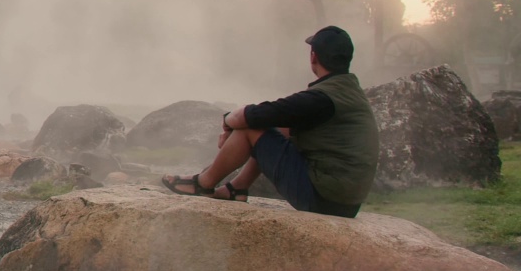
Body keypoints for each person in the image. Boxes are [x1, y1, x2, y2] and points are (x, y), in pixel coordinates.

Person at [161, 26, 380, 218]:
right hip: (344, 202)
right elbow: (277, 122)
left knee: (252, 129)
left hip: (323, 198)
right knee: (275, 128)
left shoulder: (320, 99)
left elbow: (257, 115)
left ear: (313, 56)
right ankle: (238, 188)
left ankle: (203, 183)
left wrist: (228, 121)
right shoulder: (348, 91)